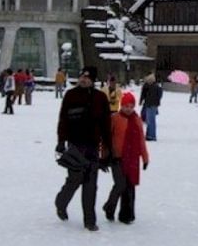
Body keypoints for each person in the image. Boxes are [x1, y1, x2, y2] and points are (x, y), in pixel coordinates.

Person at [55, 66, 112, 232]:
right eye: (81, 76)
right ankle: (61, 202)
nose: (83, 79)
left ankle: (89, 220)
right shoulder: (71, 95)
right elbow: (63, 119)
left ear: (93, 80)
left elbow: (106, 125)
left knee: (91, 183)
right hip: (75, 145)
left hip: (93, 145)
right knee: (75, 179)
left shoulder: (100, 98)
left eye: (87, 77)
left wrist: (108, 149)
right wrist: (61, 141)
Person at [103, 91, 149, 225]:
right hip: (116, 157)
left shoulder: (137, 120)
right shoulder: (115, 118)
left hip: (132, 158)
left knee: (129, 187)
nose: (128, 109)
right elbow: (106, 139)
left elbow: (141, 141)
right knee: (120, 184)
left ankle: (127, 215)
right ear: (121, 106)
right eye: (126, 106)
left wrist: (145, 158)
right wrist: (104, 156)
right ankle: (109, 207)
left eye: (131, 106)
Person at [139, 74, 162, 141]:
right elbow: (159, 95)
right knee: (150, 120)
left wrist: (141, 101)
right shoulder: (155, 86)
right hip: (151, 105)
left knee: (150, 121)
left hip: (150, 105)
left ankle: (151, 135)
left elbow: (144, 94)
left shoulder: (151, 87)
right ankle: (149, 135)